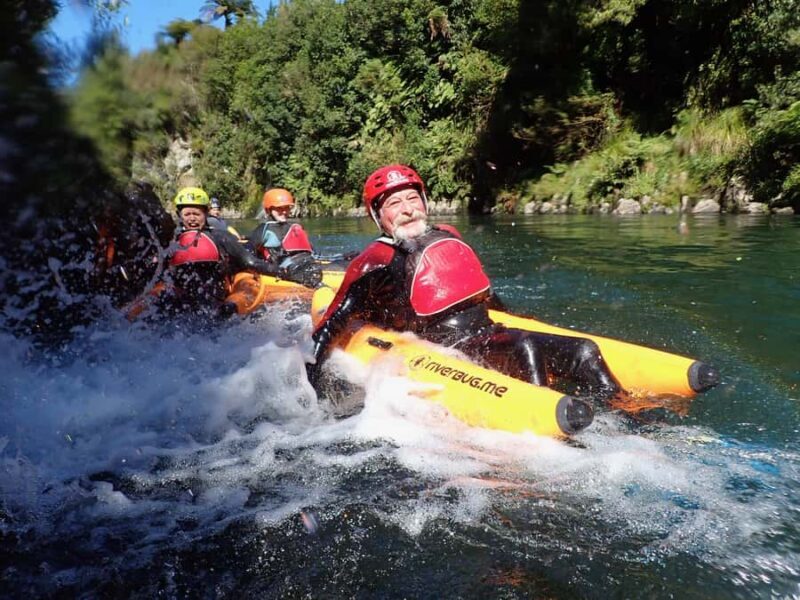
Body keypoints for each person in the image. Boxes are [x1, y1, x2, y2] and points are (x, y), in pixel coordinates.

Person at [308, 165, 623, 411]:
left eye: (412, 198)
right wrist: (316, 383)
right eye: (394, 203)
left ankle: (629, 415)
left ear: (425, 202)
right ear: (377, 215)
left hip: (483, 331)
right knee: (525, 347)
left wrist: (515, 318)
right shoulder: (373, 260)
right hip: (442, 344)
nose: (407, 208)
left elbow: (475, 289)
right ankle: (549, 421)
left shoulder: (448, 233)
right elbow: (335, 320)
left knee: (585, 350)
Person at [155, 186, 287, 318]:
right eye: (187, 214)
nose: (192, 219)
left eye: (196, 214)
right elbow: (159, 270)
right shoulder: (172, 242)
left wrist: (281, 272)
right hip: (185, 302)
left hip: (217, 302)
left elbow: (250, 262)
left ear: (206, 213)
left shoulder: (220, 237)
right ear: (179, 215)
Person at [246, 188, 321, 287]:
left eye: (287, 208)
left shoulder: (265, 230)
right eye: (279, 208)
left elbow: (248, 253)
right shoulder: (294, 227)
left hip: (289, 272)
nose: (284, 212)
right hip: (301, 269)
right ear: (269, 210)